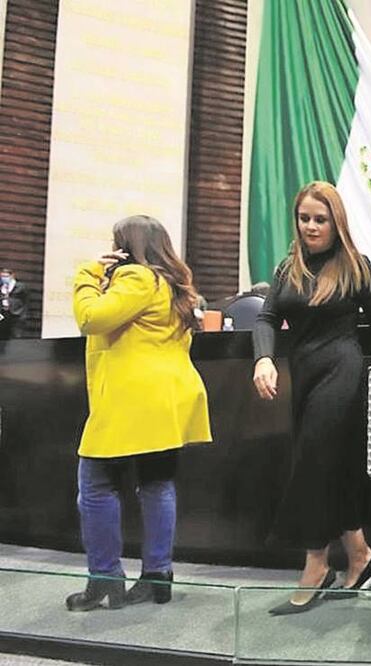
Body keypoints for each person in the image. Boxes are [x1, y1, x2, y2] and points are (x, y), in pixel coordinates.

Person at [252, 181, 371, 615]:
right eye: (304, 218)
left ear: (337, 221)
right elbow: (267, 318)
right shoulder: (287, 268)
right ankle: (360, 554)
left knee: (313, 463)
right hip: (305, 375)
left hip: (344, 371)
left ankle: (315, 563)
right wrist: (263, 359)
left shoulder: (356, 265)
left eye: (321, 219)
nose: (311, 226)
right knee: (333, 469)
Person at [66, 215, 212, 611]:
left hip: (133, 400)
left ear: (126, 247)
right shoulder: (173, 285)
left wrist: (89, 272)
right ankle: (157, 577)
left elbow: (91, 317)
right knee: (156, 483)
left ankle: (105, 579)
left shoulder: (136, 278)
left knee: (95, 486)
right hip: (168, 399)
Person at [0, 267, 28, 339]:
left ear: (12, 276)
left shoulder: (21, 286)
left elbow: (26, 300)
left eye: (6, 276)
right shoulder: (1, 286)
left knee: (15, 335)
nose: (4, 278)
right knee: (3, 334)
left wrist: (23, 314)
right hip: (3, 313)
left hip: (16, 313)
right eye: (2, 276)